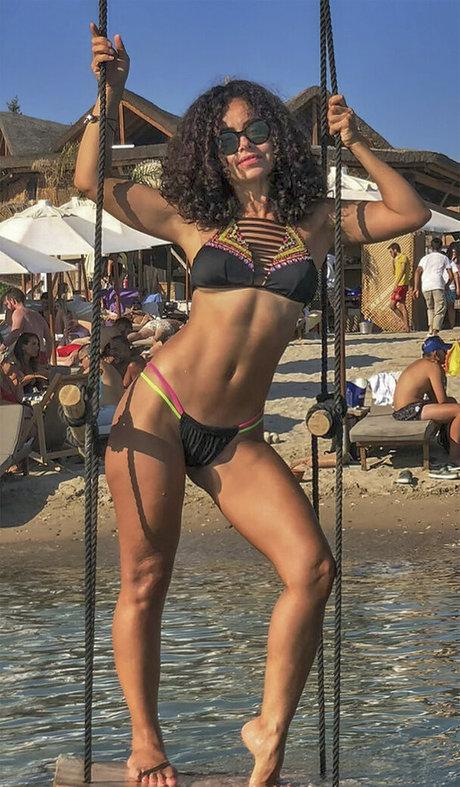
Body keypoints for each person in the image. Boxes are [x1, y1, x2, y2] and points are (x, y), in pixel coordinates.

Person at [74, 23, 430, 786]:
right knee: (146, 577)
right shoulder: (193, 220)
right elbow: (88, 182)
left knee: (313, 568)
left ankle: (267, 727)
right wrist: (108, 96)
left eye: (258, 129)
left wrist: (353, 139)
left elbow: (410, 213)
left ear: (279, 138)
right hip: (159, 410)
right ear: (212, 152)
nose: (245, 145)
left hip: (235, 434)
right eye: (229, 138)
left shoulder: (320, 223)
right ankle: (146, 741)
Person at [393, 335, 459, 466]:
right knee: (458, 411)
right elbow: (442, 401)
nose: (446, 354)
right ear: (435, 354)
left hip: (406, 409)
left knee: (452, 403)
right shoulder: (433, 367)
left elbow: (436, 399)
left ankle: (447, 442)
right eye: (444, 351)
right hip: (409, 410)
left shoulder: (422, 365)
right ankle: (455, 457)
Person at [0, 287, 52, 362]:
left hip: (29, 356)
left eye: (7, 304)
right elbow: (49, 339)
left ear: (12, 301)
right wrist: (47, 358)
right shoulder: (36, 315)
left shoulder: (18, 313)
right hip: (41, 354)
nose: (7, 307)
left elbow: (14, 333)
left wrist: (2, 348)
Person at [414, 238, 453, 336]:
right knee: (440, 308)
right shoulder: (444, 258)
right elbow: (451, 275)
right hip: (438, 284)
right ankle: (435, 330)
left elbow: (417, 272)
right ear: (441, 246)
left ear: (431, 247)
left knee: (430, 308)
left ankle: (430, 329)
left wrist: (416, 288)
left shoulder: (425, 258)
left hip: (426, 285)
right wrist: (447, 285)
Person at [388, 242, 410, 332]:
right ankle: (406, 324)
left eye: (391, 251)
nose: (390, 254)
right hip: (399, 284)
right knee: (396, 305)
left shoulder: (403, 257)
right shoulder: (396, 259)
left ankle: (406, 325)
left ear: (395, 250)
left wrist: (396, 284)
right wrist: (392, 262)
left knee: (397, 304)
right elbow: (394, 272)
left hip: (401, 284)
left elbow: (403, 270)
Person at [444, 245, 460, 330]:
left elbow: (456, 275)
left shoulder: (451, 263)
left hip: (450, 287)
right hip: (443, 286)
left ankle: (451, 324)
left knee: (450, 306)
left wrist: (457, 288)